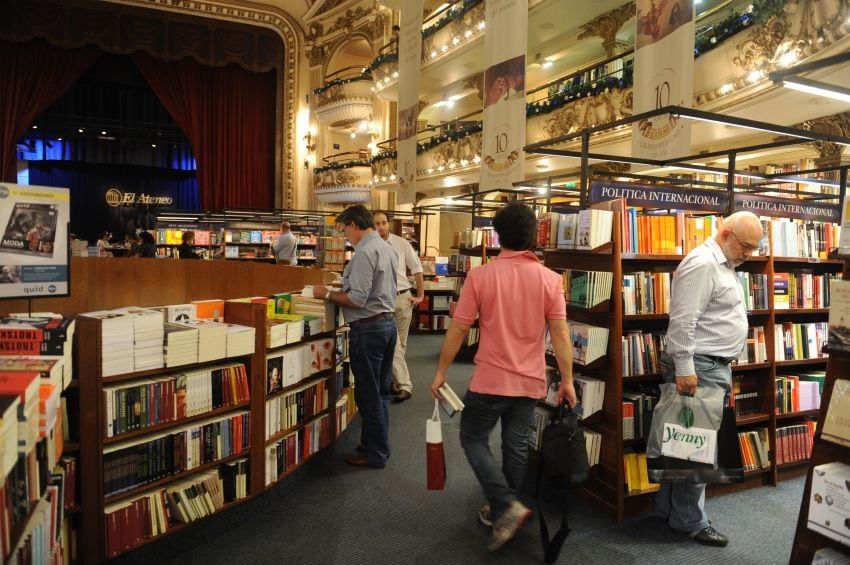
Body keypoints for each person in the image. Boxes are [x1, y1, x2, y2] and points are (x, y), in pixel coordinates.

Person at [430, 203, 577, 552]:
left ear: (498, 236)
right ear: (532, 237)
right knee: (515, 446)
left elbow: (459, 329)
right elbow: (560, 334)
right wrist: (567, 380)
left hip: (491, 380)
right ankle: (505, 510)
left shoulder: (481, 276)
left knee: (472, 438)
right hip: (530, 382)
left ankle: (505, 505)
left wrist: (440, 372)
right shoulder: (550, 279)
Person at [657, 210, 764, 548]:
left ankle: (669, 511)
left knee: (683, 443)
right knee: (695, 449)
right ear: (726, 233)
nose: (748, 254)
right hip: (699, 367)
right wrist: (685, 368)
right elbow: (683, 321)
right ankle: (690, 521)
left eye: (753, 248)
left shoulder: (725, 266)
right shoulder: (703, 264)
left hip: (710, 365)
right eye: (745, 246)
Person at [313, 205, 398, 469]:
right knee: (381, 392)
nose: (345, 236)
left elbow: (357, 299)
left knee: (368, 395)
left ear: (354, 224)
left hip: (369, 329)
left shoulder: (364, 252)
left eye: (345, 230)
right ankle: (375, 444)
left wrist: (325, 294)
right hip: (387, 324)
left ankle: (376, 454)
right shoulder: (387, 248)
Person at [373, 211, 424, 403]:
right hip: (382, 300)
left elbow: (417, 268)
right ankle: (404, 385)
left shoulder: (402, 244)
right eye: (377, 223)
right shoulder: (370, 246)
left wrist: (421, 295)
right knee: (393, 345)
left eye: (384, 223)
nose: (381, 227)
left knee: (400, 344)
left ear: (389, 224)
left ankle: (392, 382)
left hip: (403, 298)